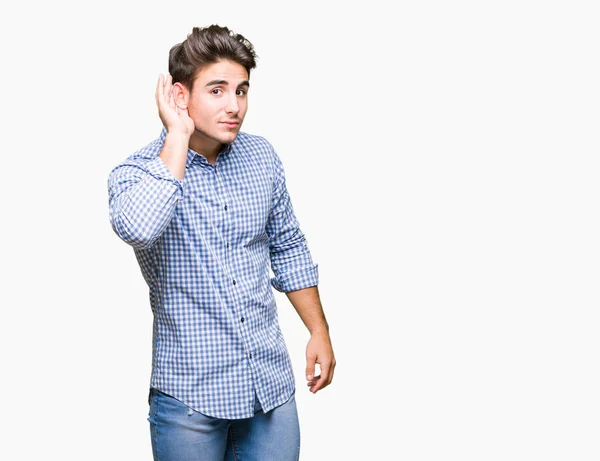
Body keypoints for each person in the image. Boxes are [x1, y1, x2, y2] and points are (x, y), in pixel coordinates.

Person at [107, 24, 335, 461]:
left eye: (242, 90)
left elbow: (287, 245)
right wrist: (177, 136)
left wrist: (318, 330)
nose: (235, 106)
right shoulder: (135, 174)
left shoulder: (261, 156)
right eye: (217, 90)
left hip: (268, 386)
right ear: (179, 96)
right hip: (190, 399)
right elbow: (139, 228)